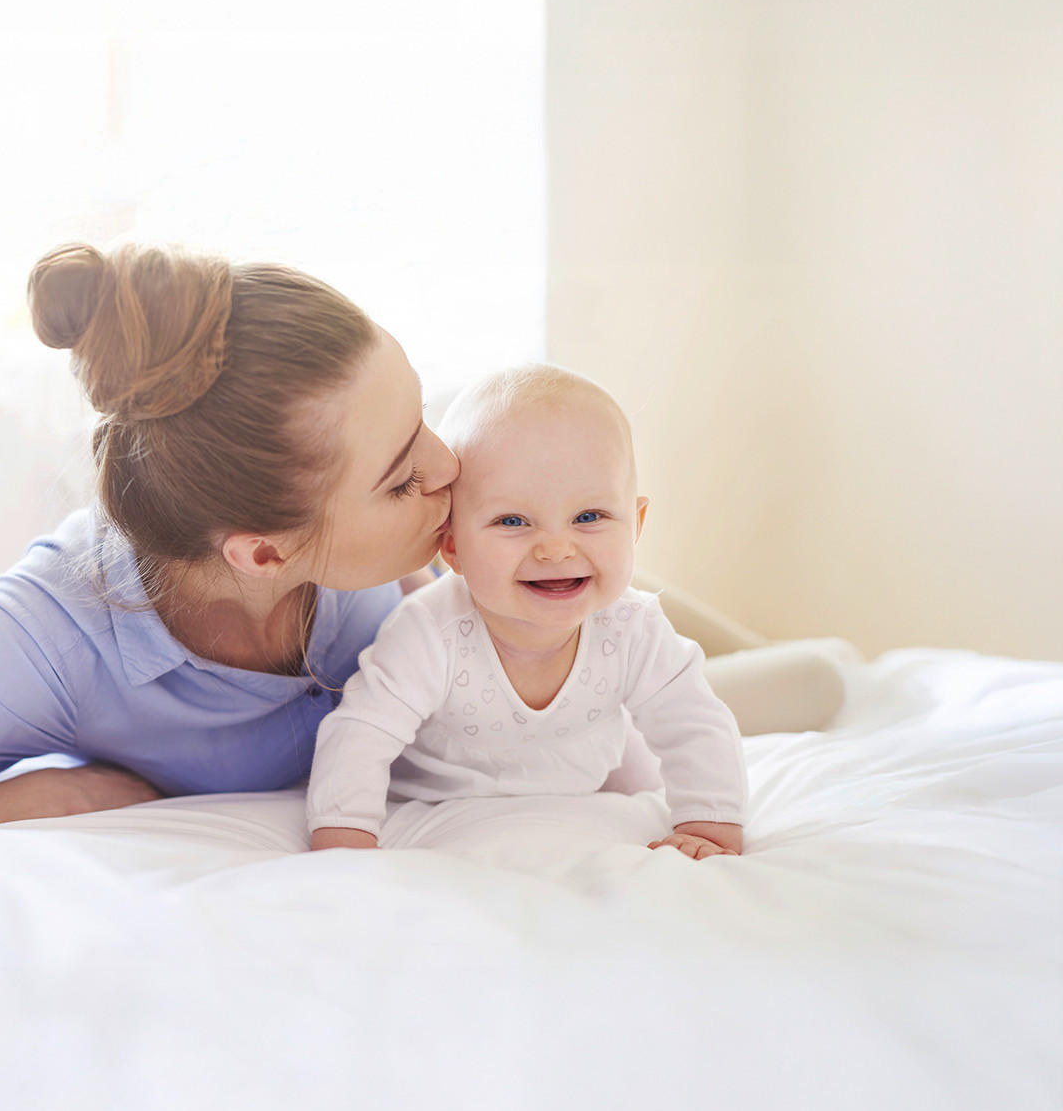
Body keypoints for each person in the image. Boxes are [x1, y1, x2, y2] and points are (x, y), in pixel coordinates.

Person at [0, 243, 829, 840]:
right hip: (497, 665)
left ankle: (830, 665)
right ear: (261, 552)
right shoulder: (49, 639)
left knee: (806, 677)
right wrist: (58, 797)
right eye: (401, 474)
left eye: (423, 419)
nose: (447, 469)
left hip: (572, 643)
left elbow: (570, 590)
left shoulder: (387, 557)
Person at [306, 364, 746, 858]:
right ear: (451, 545)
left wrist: (709, 824)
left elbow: (693, 722)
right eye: (512, 520)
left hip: (589, 776)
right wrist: (345, 839)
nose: (556, 549)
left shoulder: (632, 627)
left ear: (635, 523)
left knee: (646, 752)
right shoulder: (430, 630)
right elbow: (363, 731)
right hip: (443, 804)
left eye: (590, 516)